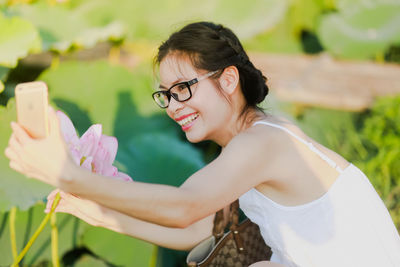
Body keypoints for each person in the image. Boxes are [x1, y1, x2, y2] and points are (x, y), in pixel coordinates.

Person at [5, 21, 400, 267]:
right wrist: (94, 212)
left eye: (183, 89)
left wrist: (66, 175)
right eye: (166, 95)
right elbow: (196, 229)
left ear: (228, 80)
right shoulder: (251, 142)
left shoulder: (263, 144)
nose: (174, 106)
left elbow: (182, 208)